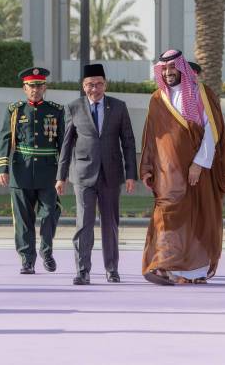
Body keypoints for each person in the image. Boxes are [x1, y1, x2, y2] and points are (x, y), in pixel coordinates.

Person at [140, 49, 225, 285]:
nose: (168, 72)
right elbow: (151, 138)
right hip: (167, 173)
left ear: (181, 68)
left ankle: (194, 272)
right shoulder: (156, 99)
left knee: (198, 215)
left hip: (196, 171)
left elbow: (212, 133)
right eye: (164, 69)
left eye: (172, 68)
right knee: (166, 215)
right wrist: (148, 168)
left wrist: (198, 165)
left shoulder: (201, 94)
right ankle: (162, 265)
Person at [56, 64, 137, 285]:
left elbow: (128, 142)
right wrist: (60, 176)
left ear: (105, 84)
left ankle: (112, 269)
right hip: (83, 175)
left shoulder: (118, 107)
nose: (95, 88)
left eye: (99, 83)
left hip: (111, 175)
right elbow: (66, 145)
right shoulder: (73, 108)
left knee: (110, 224)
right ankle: (83, 270)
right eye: (91, 84)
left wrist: (131, 174)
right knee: (84, 224)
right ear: (84, 86)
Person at [0, 67, 64, 275]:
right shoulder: (15, 110)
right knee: (23, 220)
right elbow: (5, 139)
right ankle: (27, 260)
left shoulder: (56, 110)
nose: (35, 89)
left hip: (48, 172)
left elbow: (62, 143)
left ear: (45, 87)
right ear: (24, 88)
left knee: (50, 213)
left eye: (39, 85)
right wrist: (2, 168)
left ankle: (46, 250)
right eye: (31, 86)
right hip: (21, 171)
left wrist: (64, 173)